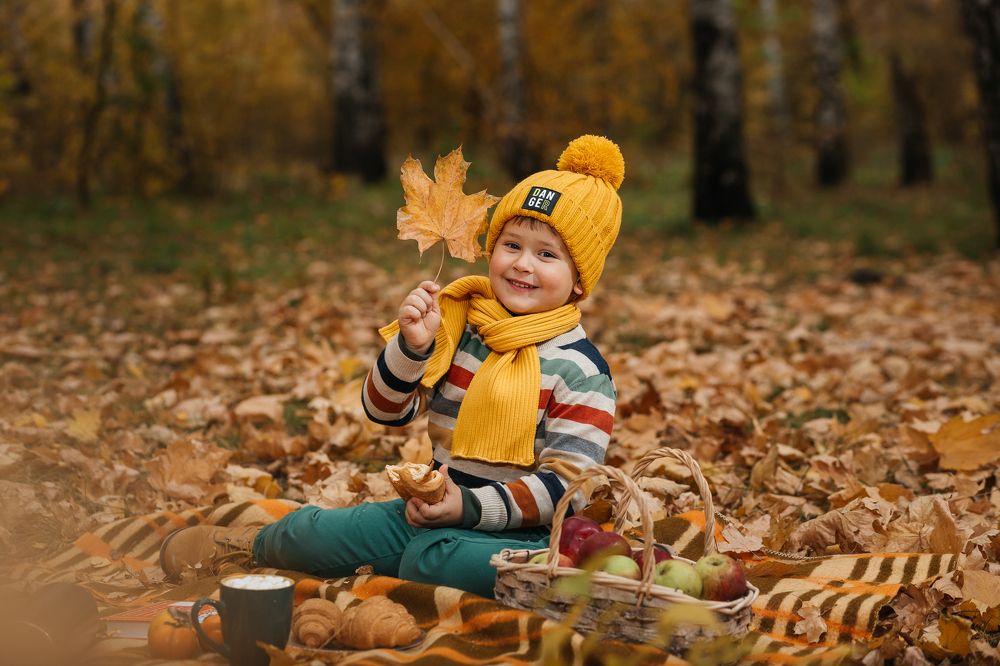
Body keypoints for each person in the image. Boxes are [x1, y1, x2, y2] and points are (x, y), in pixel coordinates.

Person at [160, 135, 624, 599]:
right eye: (511, 245)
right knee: (312, 530)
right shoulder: (463, 327)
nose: (523, 264)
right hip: (429, 509)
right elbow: (385, 410)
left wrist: (468, 507)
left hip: (520, 537)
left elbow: (569, 487)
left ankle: (541, 582)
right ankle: (254, 547)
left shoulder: (580, 371)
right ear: (492, 248)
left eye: (546, 255)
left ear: (580, 278)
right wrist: (411, 346)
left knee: (436, 559)